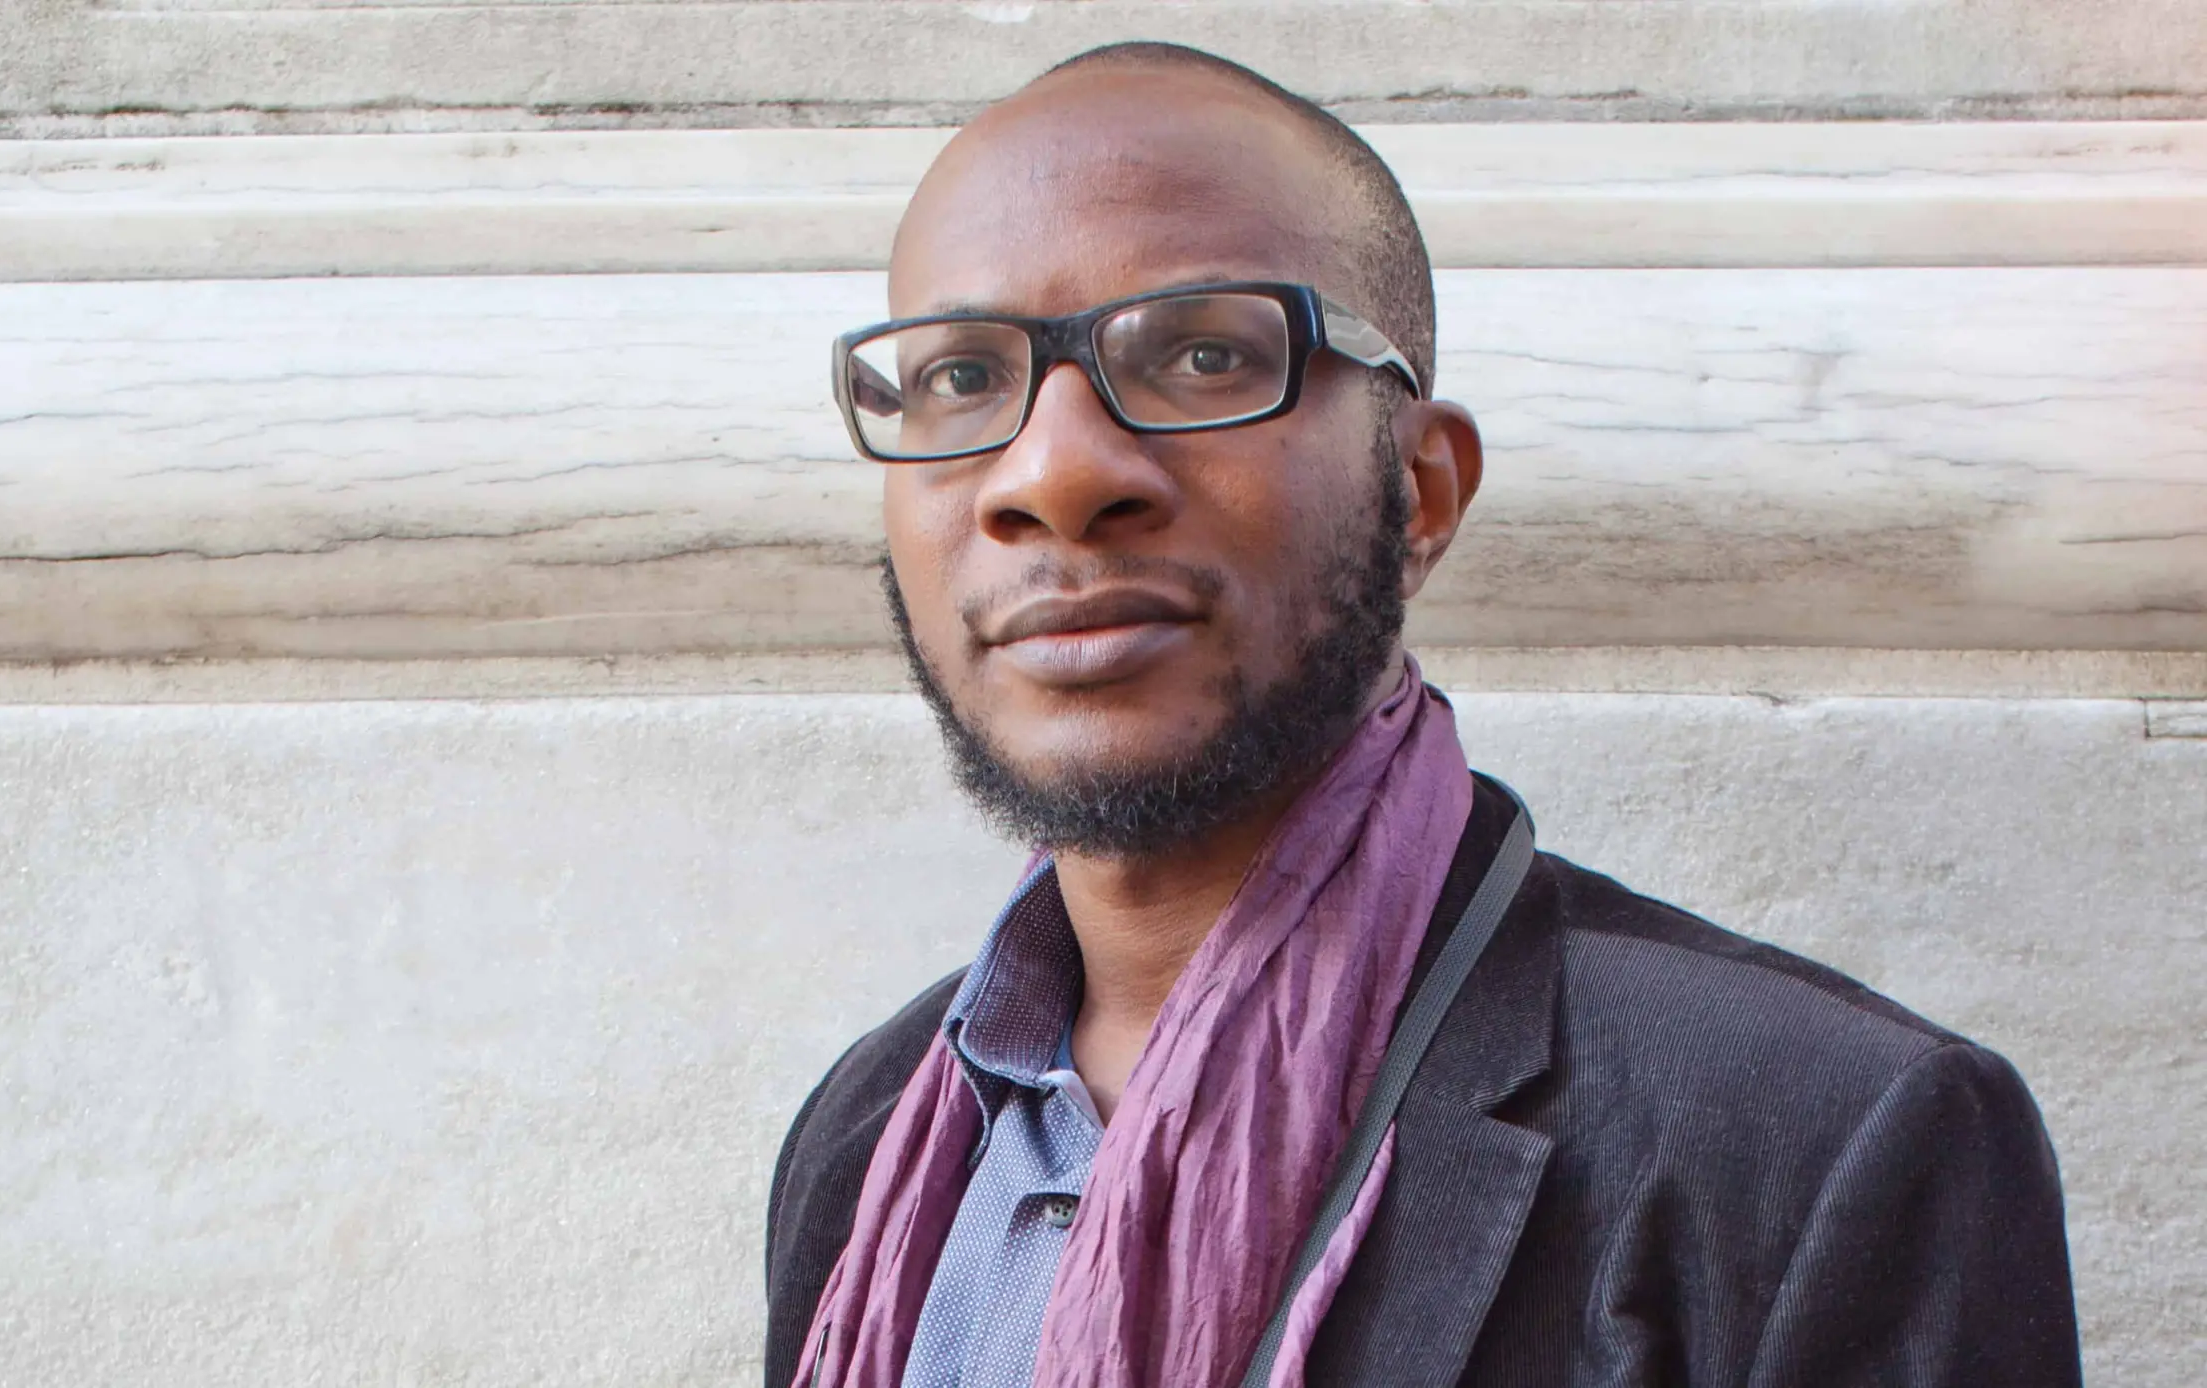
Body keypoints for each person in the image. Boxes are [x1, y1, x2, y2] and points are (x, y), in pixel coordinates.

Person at [765, 41, 2079, 1388]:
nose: (1050, 473)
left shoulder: (1816, 1142)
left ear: (1423, 494)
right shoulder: (869, 1141)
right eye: (962, 380)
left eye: (1204, 353)